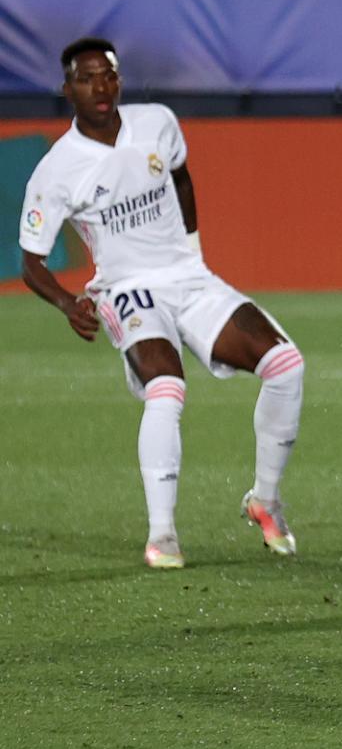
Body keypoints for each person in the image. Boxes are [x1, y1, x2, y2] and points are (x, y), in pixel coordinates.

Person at [18, 38, 305, 569]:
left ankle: (265, 501)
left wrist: (194, 254)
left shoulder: (157, 123)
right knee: (167, 387)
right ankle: (163, 535)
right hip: (127, 288)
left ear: (119, 81)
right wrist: (65, 303)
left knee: (286, 365)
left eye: (107, 75)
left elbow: (181, 177)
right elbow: (30, 261)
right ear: (67, 90)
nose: (99, 87)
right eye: (86, 78)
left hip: (188, 277)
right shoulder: (56, 171)